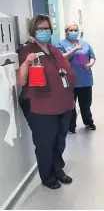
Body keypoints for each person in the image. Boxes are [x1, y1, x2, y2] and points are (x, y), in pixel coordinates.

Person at [17, 15, 76, 189]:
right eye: (40, 28)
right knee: (45, 143)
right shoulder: (27, 51)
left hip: (63, 104)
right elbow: (21, 81)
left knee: (60, 141)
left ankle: (58, 169)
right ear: (33, 31)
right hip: (41, 106)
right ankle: (47, 176)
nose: (44, 31)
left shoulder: (54, 49)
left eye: (46, 28)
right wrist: (27, 63)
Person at [57, 22, 96, 134]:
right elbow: (61, 58)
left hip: (85, 79)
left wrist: (90, 64)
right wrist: (74, 49)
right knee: (70, 105)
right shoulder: (61, 44)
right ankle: (71, 126)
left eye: (75, 30)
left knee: (86, 104)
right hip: (69, 80)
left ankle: (88, 121)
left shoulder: (85, 43)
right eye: (71, 30)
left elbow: (92, 56)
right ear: (66, 32)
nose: (73, 32)